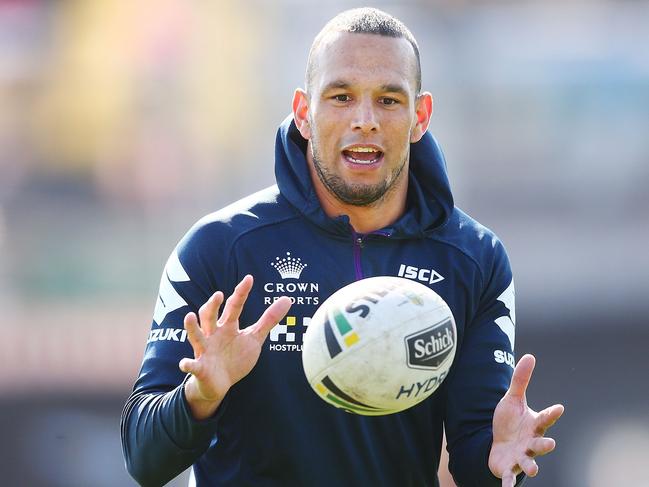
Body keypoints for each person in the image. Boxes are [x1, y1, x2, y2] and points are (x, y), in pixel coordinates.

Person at [121, 8, 564, 487]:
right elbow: (144, 459)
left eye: (389, 100)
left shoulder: (474, 259)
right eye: (341, 96)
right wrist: (200, 395)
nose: (366, 120)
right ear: (303, 112)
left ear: (420, 116)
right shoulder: (219, 248)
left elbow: (477, 454)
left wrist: (500, 458)